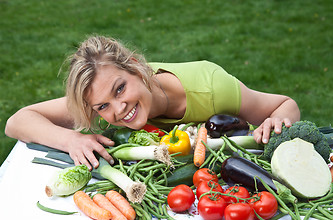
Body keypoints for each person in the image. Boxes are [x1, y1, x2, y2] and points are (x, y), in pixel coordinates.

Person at [5, 35, 300, 170]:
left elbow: (285, 104)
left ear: (135, 66)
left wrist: (276, 120)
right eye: (102, 107)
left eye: (120, 89)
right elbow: (17, 121)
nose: (118, 109)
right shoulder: (101, 93)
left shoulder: (212, 89)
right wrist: (70, 139)